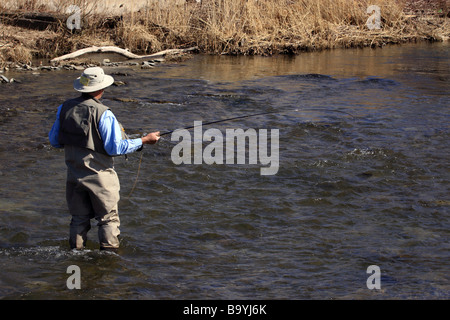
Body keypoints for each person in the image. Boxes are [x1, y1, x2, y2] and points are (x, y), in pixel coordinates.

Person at [49, 67, 160, 251]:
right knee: (108, 219)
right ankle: (108, 261)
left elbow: (54, 141)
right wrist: (144, 140)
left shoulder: (64, 108)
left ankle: (75, 256)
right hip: (100, 175)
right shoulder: (104, 113)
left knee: (78, 218)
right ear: (102, 88)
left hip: (73, 174)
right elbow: (114, 148)